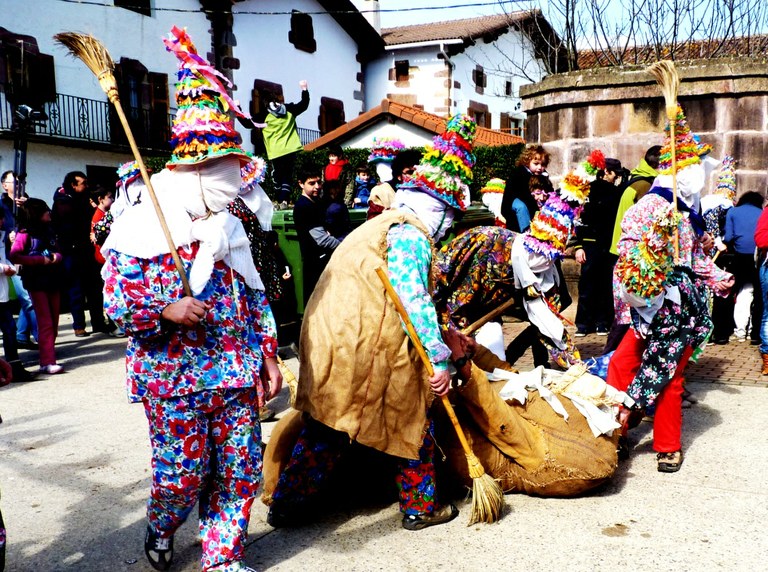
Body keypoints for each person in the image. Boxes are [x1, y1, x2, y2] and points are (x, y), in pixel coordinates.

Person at [103, 26, 282, 572]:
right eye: (226, 174)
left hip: (233, 369)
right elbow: (114, 301)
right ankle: (162, 524)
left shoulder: (229, 228)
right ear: (194, 172)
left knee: (239, 469)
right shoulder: (140, 225)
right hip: (172, 375)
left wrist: (269, 353)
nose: (236, 186)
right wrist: (163, 309)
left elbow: (254, 295)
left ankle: (221, 558)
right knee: (181, 474)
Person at [267, 114, 478, 532]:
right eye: (450, 216)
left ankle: (287, 505)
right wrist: (438, 359)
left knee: (328, 423)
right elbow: (411, 298)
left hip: (332, 337)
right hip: (366, 342)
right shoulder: (412, 235)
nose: (448, 226)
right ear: (438, 207)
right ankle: (420, 508)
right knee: (411, 417)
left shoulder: (381, 224)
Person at [609, 103, 733, 473]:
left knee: (671, 376)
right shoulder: (646, 207)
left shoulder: (689, 215)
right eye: (694, 171)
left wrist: (714, 276)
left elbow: (693, 260)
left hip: (679, 309)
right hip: (646, 303)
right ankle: (614, 431)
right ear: (681, 173)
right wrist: (633, 298)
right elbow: (628, 260)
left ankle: (666, 445)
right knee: (622, 362)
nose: (700, 179)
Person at [603, 145, 662, 353]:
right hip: (632, 256)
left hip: (622, 252)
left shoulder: (637, 181)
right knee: (626, 316)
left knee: (625, 315)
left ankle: (613, 358)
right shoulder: (646, 186)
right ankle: (609, 360)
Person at [52, 170, 111, 337]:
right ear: (73, 185)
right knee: (76, 290)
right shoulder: (63, 202)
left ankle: (98, 322)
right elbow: (66, 227)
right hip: (72, 251)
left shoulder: (84, 200)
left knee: (94, 288)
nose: (86, 186)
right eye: (83, 183)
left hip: (87, 251)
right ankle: (79, 326)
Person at [10, 198, 65, 375]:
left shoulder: (49, 230)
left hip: (53, 279)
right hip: (36, 282)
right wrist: (40, 260)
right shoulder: (24, 234)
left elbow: (58, 250)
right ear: (36, 214)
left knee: (54, 321)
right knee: (45, 321)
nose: (48, 213)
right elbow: (15, 256)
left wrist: (57, 257)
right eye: (44, 211)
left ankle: (48, 355)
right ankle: (47, 361)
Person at [573, 158, 624, 337]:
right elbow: (577, 219)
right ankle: (588, 322)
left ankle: (596, 322)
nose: (616, 177)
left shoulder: (615, 192)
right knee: (591, 284)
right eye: (614, 174)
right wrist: (578, 246)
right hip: (592, 243)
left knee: (601, 283)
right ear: (606, 173)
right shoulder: (587, 191)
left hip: (603, 243)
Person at [703, 156, 738, 344]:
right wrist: (718, 242)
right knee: (712, 292)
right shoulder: (720, 205)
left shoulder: (712, 202)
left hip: (711, 253)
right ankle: (711, 330)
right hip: (712, 255)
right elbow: (711, 223)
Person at [257, 81, 310, 204]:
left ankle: (279, 198)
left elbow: (247, 123)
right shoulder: (289, 109)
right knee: (287, 175)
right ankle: (284, 199)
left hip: (276, 151)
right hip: (291, 149)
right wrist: (304, 89)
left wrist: (237, 109)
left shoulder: (263, 115)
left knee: (277, 177)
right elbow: (303, 105)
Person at [0, 199, 36, 382]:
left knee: (10, 329)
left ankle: (14, 366)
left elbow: (3, 257)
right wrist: (3, 268)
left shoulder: (1, 236)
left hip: (2, 294)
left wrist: (9, 266)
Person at [1, 171, 37, 349]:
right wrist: (8, 236)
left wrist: (27, 207)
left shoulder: (27, 202)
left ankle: (22, 335)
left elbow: (39, 222)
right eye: (13, 182)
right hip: (9, 256)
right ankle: (42, 337)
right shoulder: (1, 205)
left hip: (28, 253)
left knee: (28, 296)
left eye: (20, 182)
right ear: (4, 185)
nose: (17, 185)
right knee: (27, 299)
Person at [293, 169, 339, 304]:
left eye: (319, 182)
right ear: (301, 184)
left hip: (320, 261)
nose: (317, 187)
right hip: (314, 262)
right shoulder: (304, 206)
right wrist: (344, 247)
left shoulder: (315, 202)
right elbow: (322, 239)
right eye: (312, 183)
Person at [723, 191, 763, 341]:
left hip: (737, 258)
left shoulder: (733, 212)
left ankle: (724, 331)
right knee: (758, 295)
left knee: (729, 291)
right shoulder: (761, 213)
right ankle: (756, 334)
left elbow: (728, 237)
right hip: (756, 258)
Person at [500, 145, 553, 233]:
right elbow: (524, 195)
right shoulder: (519, 174)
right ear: (527, 162)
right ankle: (526, 231)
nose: (540, 168)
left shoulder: (542, 175)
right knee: (521, 207)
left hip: (531, 203)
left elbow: (549, 189)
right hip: (513, 202)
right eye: (536, 164)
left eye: (543, 164)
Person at [367, 146, 419, 220]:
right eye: (410, 172)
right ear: (398, 176)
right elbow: (374, 223)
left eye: (419, 172)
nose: (415, 176)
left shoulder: (429, 192)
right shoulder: (381, 191)